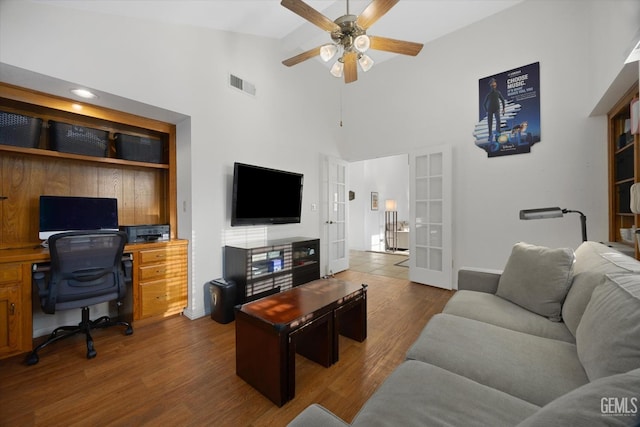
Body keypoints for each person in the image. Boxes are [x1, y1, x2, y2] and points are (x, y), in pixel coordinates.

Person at [483, 77, 506, 142]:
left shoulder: (498, 92)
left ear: (496, 85)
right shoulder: (489, 94)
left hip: (497, 109)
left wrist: (504, 109)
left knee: (498, 121)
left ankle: (498, 135)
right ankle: (490, 136)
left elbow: (502, 100)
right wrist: (487, 111)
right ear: (490, 85)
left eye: (494, 84)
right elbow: (484, 104)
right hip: (490, 110)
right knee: (490, 123)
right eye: (492, 84)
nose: (493, 85)